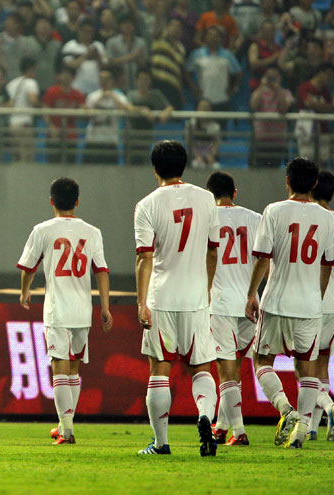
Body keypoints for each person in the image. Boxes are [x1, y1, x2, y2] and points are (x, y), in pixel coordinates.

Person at [134, 140, 220, 457]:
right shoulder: (207, 199)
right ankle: (205, 417)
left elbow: (144, 257)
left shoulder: (147, 205)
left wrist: (141, 301)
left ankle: (161, 443)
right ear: (184, 165)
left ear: (155, 168)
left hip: (162, 296)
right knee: (201, 369)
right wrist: (207, 288)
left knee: (160, 368)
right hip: (196, 297)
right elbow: (213, 250)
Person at [245, 157, 334, 449]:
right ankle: (303, 429)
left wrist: (251, 293)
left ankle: (286, 409)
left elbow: (262, 257)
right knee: (307, 367)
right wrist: (317, 295)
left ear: (287, 181)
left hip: (276, 301)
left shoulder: (274, 211)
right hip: (309, 304)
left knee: (261, 361)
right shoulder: (326, 217)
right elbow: (327, 264)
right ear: (314, 184)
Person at [17, 177, 113, 445]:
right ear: (77, 201)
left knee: (60, 367)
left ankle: (67, 431)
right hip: (83, 310)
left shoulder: (43, 230)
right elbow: (102, 272)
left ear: (51, 201)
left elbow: (28, 267)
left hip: (57, 310)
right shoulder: (93, 232)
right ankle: (64, 424)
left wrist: (25, 291)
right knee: (74, 369)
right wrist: (104, 307)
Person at [205, 171, 261, 446]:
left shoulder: (207, 219)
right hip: (249, 302)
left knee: (225, 371)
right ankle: (222, 427)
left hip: (220, 302)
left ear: (209, 194)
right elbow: (266, 259)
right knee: (234, 370)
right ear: (234, 192)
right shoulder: (255, 219)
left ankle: (239, 433)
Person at [307, 171, 334, 441]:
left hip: (306, 299)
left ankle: (325, 408)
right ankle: (313, 427)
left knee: (305, 366)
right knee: (322, 364)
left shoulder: (303, 217)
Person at [187, 26, 242, 113]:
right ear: (205, 37)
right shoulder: (196, 54)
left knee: (222, 126)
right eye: (210, 35)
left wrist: (234, 88)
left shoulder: (228, 55)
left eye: (216, 36)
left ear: (221, 39)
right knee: (201, 126)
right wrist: (193, 87)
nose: (212, 38)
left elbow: (238, 72)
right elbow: (187, 72)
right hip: (202, 100)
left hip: (222, 99)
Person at [84, 68, 131, 165]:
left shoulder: (119, 96)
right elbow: (87, 113)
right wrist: (101, 98)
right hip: (93, 141)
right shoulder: (93, 96)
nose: (104, 82)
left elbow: (125, 109)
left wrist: (112, 96)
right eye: (101, 79)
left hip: (110, 141)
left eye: (106, 79)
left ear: (112, 81)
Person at [249, 65, 293, 168]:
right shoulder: (258, 92)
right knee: (258, 169)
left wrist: (277, 89)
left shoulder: (286, 93)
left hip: (277, 139)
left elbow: (284, 109)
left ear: (279, 78)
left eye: (274, 77)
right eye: (269, 77)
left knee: (274, 168)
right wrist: (261, 86)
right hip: (261, 137)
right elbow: (254, 106)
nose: (271, 80)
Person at [126, 69, 174, 166]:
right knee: (131, 163)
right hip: (132, 136)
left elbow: (169, 107)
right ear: (137, 81)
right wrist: (144, 110)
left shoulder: (155, 95)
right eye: (141, 79)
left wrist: (165, 113)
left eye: (146, 79)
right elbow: (129, 107)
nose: (144, 82)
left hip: (147, 135)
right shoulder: (131, 94)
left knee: (146, 162)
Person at [42, 65, 85, 164]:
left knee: (71, 162)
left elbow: (83, 107)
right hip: (54, 133)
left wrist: (83, 108)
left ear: (73, 78)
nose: (66, 77)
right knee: (53, 162)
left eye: (69, 75)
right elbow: (45, 111)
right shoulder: (52, 91)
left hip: (71, 134)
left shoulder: (77, 93)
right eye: (63, 74)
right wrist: (51, 126)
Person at [297, 63, 334, 167]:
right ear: (320, 73)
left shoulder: (325, 91)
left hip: (323, 129)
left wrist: (314, 105)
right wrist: (322, 106)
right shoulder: (305, 87)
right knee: (306, 158)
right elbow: (307, 103)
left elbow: (330, 108)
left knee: (323, 158)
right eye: (328, 75)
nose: (329, 79)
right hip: (306, 128)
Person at [61, 19, 109, 96]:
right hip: (77, 86)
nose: (87, 34)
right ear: (79, 30)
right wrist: (86, 56)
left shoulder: (98, 46)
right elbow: (69, 65)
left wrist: (97, 57)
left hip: (96, 87)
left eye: (90, 32)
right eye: (85, 31)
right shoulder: (70, 45)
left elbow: (105, 66)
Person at [6, 57, 40, 163]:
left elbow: (10, 103)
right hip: (24, 125)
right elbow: (33, 100)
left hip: (12, 124)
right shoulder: (31, 82)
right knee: (27, 158)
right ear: (31, 69)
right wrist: (42, 106)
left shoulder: (12, 83)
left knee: (16, 157)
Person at [151, 17, 187, 110]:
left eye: (178, 27)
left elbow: (179, 72)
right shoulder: (160, 37)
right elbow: (158, 18)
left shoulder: (181, 48)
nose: (175, 28)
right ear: (167, 27)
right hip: (157, 83)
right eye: (173, 25)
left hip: (173, 87)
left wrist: (181, 93)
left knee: (173, 116)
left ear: (181, 31)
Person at [105, 16, 147, 91]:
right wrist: (131, 57)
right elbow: (110, 62)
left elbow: (145, 64)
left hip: (136, 82)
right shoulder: (112, 42)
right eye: (124, 24)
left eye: (130, 23)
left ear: (134, 26)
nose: (127, 26)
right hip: (118, 82)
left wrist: (139, 58)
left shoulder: (141, 42)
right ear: (120, 26)